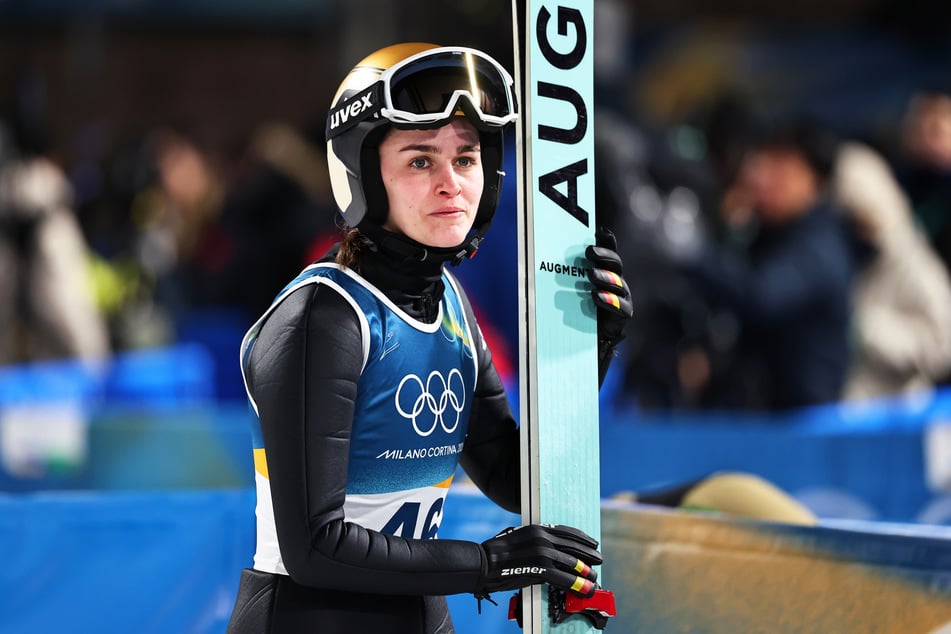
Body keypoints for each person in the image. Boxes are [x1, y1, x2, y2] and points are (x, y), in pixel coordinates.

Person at [225, 43, 632, 634]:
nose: (451, 184)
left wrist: (590, 348)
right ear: (363, 176)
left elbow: (515, 480)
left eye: (465, 160)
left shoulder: (452, 308)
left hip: (418, 616)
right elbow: (316, 546)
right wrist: (491, 563)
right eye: (420, 161)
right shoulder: (325, 318)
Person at [670, 114, 856, 411]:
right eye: (762, 165)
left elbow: (760, 295)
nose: (762, 179)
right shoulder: (767, 231)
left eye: (780, 168)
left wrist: (693, 251)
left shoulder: (818, 245)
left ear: (814, 180)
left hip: (801, 421)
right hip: (758, 415)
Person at [832, 141, 951, 400]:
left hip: (898, 414)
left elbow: (943, 346)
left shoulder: (912, 263)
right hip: (843, 409)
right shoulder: (836, 256)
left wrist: (866, 329)